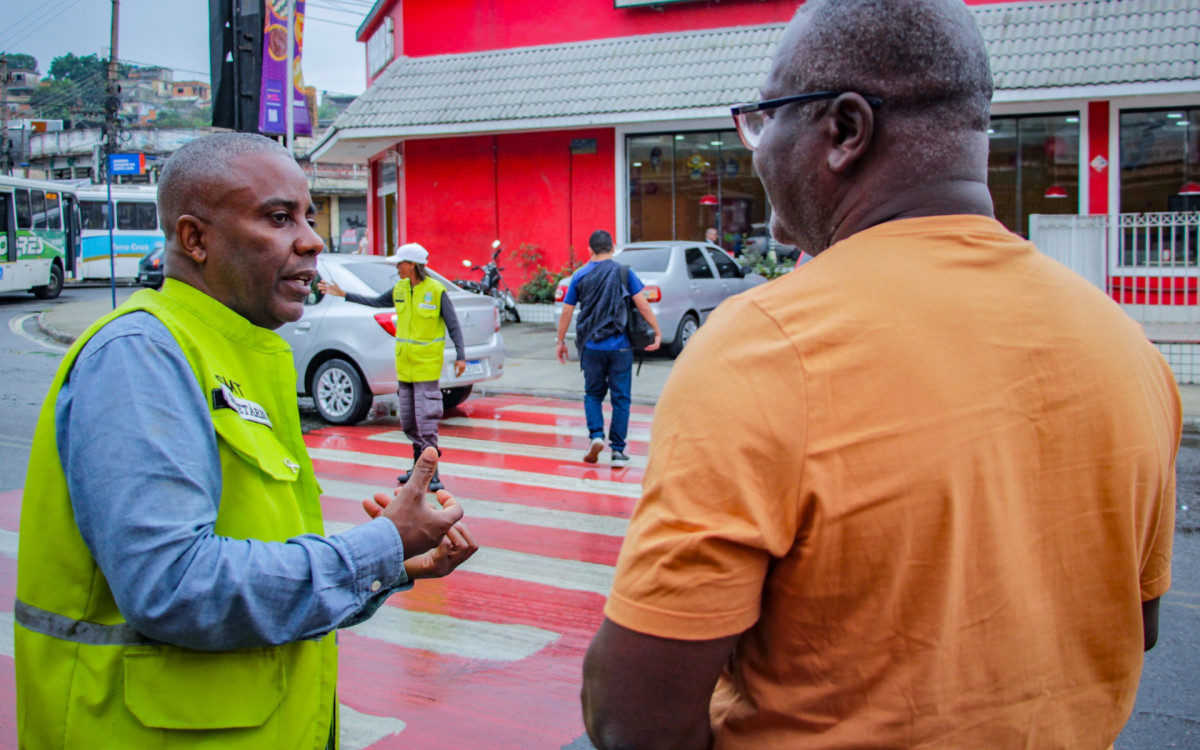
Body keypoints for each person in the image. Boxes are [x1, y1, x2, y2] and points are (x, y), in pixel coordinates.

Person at [581, 1, 1180, 749]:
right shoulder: (1129, 353)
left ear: (843, 131)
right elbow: (1137, 622)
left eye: (765, 119)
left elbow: (634, 718)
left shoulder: (766, 348)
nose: (756, 150)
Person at [15, 132, 477, 749]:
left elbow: (260, 577)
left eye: (308, 217)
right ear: (195, 238)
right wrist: (380, 544)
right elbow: (175, 586)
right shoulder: (143, 355)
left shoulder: (249, 353)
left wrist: (390, 566)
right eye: (278, 217)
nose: (312, 239)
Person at [319, 242, 466, 491]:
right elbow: (376, 302)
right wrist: (343, 294)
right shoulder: (400, 288)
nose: (397, 267)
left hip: (426, 368)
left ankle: (432, 473)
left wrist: (461, 356)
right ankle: (417, 467)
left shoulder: (436, 290)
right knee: (409, 421)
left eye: (400, 263)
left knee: (426, 421)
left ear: (413, 266)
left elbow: (453, 326)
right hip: (404, 367)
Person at [556, 230, 662, 465]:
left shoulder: (580, 275)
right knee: (621, 399)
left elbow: (566, 310)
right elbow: (642, 305)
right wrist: (657, 331)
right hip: (620, 347)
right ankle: (617, 451)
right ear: (612, 248)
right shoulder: (624, 272)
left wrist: (560, 341)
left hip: (592, 347)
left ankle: (595, 435)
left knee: (593, 394)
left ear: (590, 250)